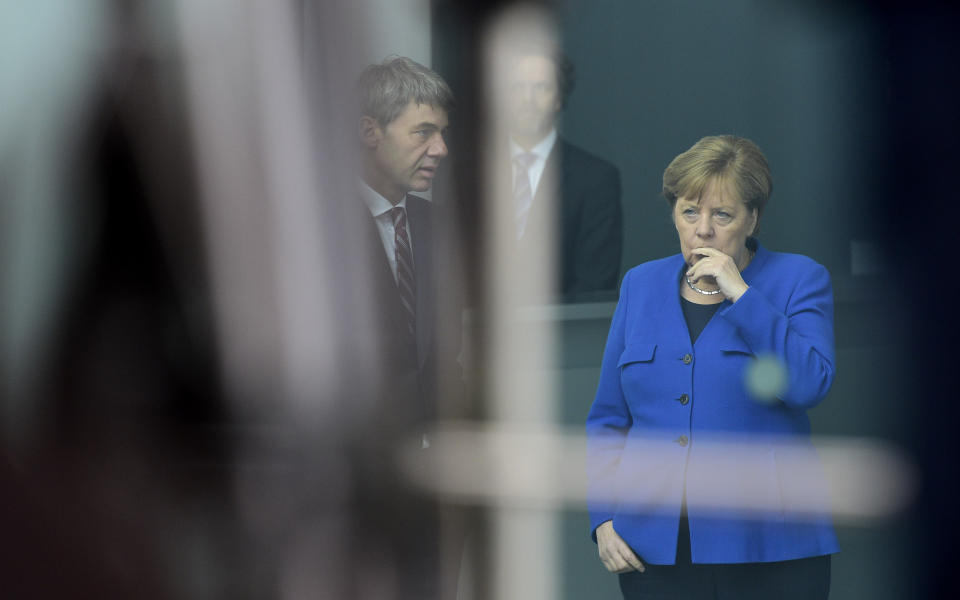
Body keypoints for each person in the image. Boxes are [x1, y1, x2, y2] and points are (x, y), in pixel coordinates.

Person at [586, 135, 839, 599]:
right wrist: (602, 518)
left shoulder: (799, 279)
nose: (703, 229)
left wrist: (741, 293)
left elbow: (809, 385)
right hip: (653, 547)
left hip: (772, 544)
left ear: (752, 218)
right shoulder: (640, 285)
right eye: (689, 211)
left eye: (721, 214)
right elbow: (608, 420)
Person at [351, 56, 462, 600]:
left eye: (443, 134)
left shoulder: (437, 230)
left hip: (434, 499)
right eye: (424, 132)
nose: (440, 149)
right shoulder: (314, 230)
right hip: (348, 500)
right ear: (369, 131)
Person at [505, 47, 623, 301]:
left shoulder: (596, 179)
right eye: (518, 87)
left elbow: (594, 283)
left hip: (561, 334)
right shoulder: (473, 176)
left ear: (559, 98)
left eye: (541, 87)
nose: (528, 98)